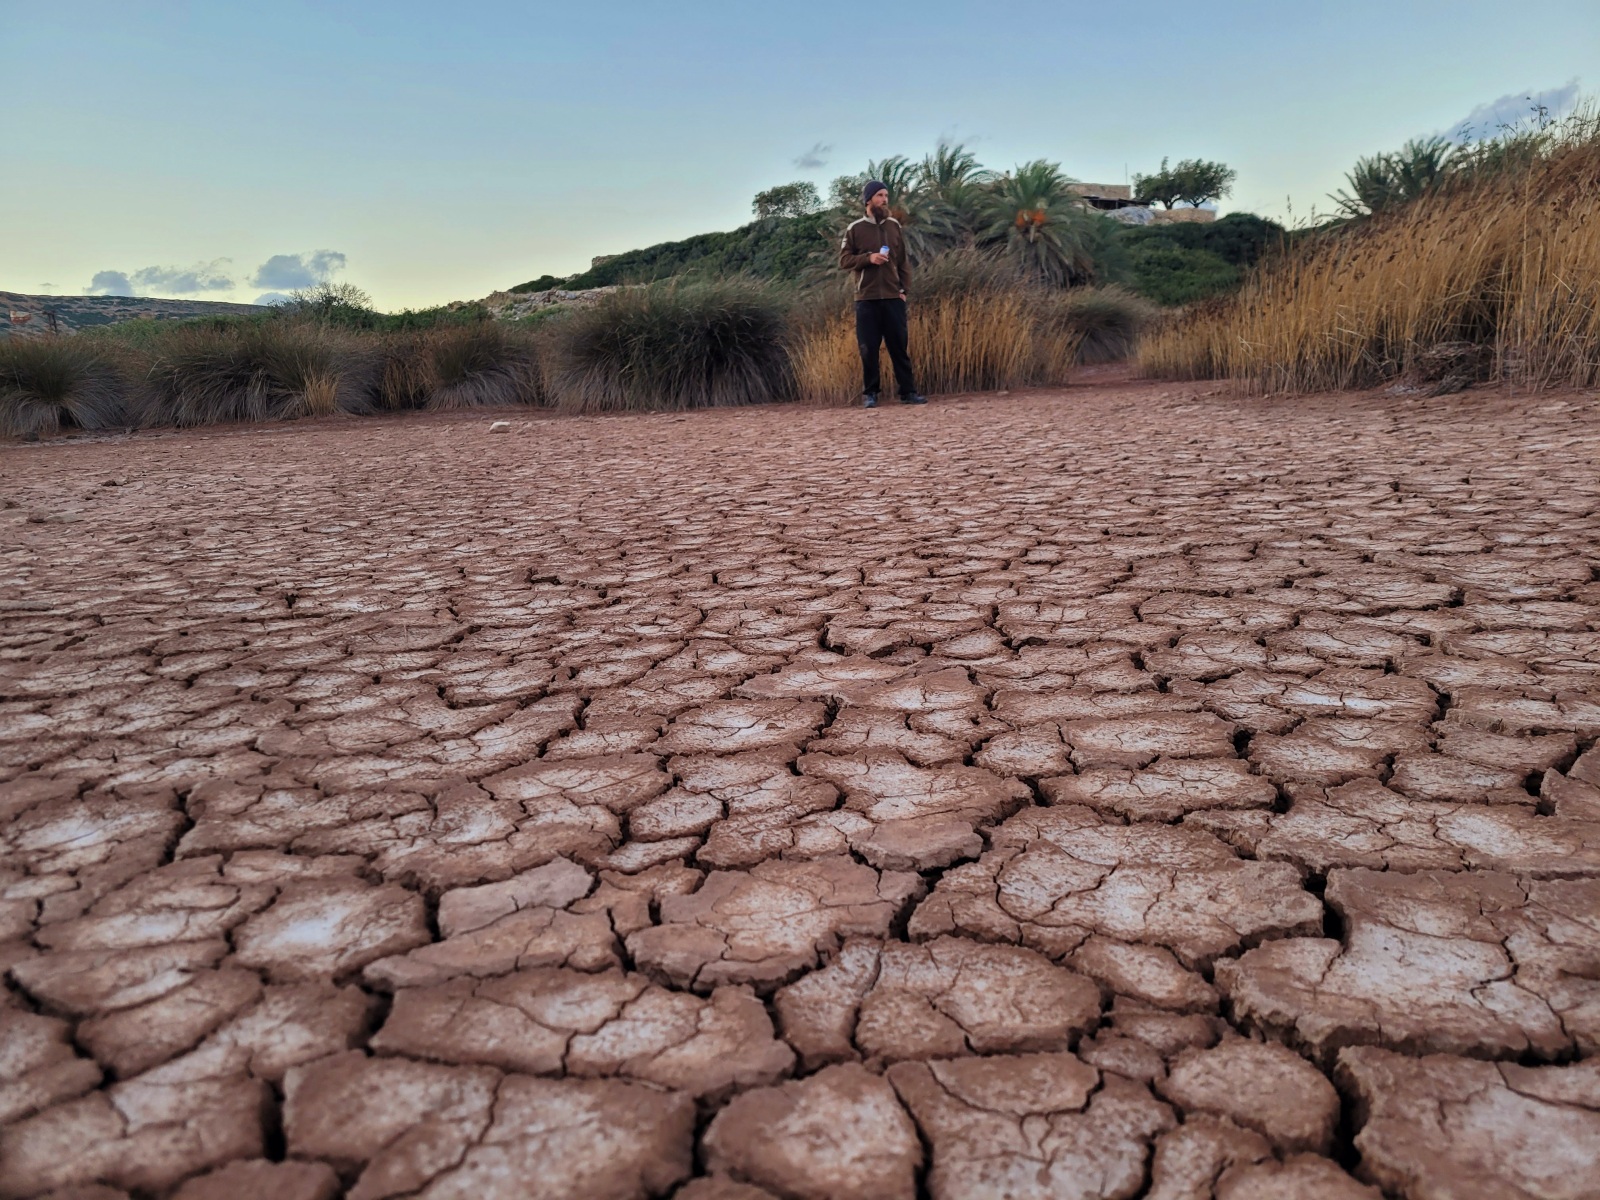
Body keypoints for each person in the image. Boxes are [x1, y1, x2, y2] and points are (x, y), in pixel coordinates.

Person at [839, 180, 926, 408]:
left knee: (899, 347)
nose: (884, 200)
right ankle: (871, 394)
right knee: (868, 348)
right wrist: (869, 258)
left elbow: (903, 261)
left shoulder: (894, 226)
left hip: (893, 297)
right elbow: (844, 260)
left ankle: (908, 392)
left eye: (886, 195)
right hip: (866, 299)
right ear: (868, 199)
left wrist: (904, 290)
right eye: (879, 195)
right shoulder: (855, 228)